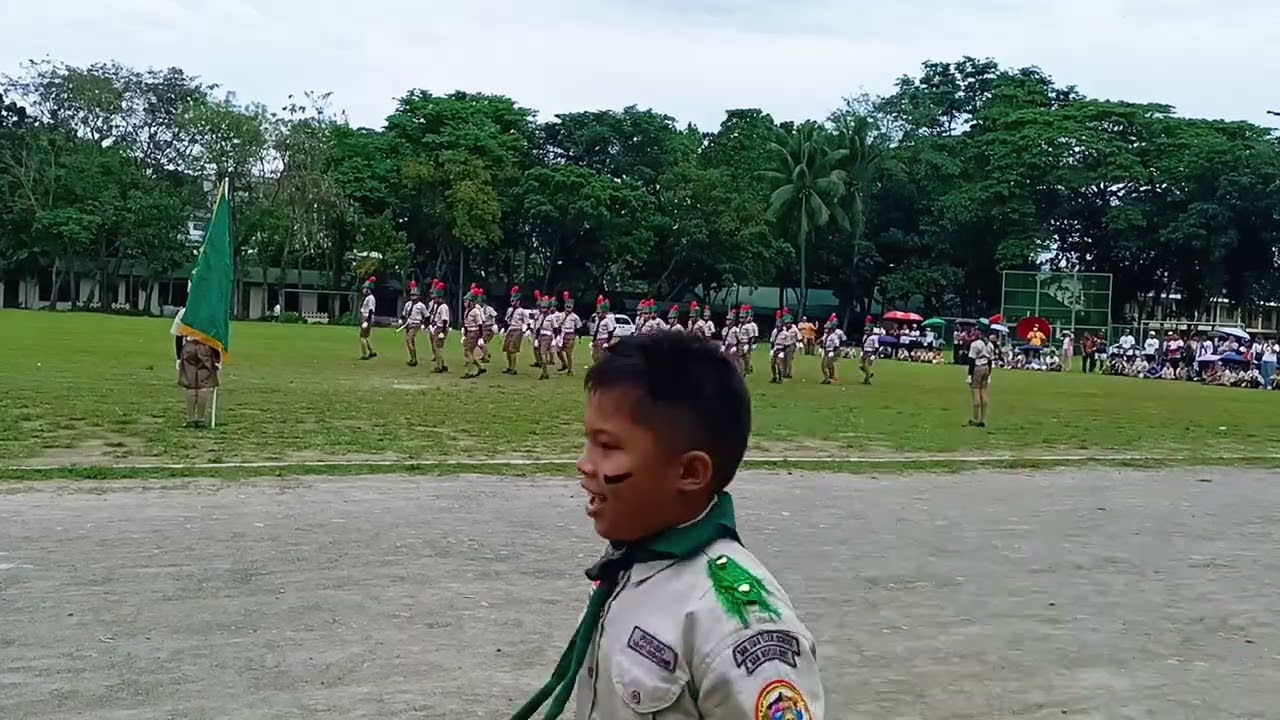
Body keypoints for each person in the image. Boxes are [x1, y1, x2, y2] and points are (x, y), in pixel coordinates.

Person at [509, 332, 823, 720]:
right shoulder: (636, 561)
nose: (584, 464)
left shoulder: (737, 624)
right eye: (587, 441)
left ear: (690, 471)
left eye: (607, 446)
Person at [174, 310, 221, 429]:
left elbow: (178, 335)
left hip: (189, 347)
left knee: (190, 384)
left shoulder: (184, 312)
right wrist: (217, 357)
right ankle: (200, 419)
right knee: (203, 385)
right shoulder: (210, 312)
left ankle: (190, 419)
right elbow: (216, 335)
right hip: (206, 346)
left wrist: (179, 357)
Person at [967, 322, 996, 428]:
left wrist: (969, 375)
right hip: (986, 368)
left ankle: (975, 418)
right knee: (984, 393)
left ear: (980, 332)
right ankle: (983, 418)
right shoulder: (990, 345)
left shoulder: (975, 344)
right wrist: (989, 375)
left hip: (977, 368)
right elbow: (990, 361)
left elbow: (971, 361)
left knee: (975, 393)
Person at [461, 284, 487, 379]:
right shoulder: (467, 311)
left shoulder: (475, 311)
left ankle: (469, 371)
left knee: (468, 351)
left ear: (471, 302)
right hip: (469, 332)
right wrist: (464, 334)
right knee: (468, 352)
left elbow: (480, 324)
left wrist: (480, 337)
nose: (465, 303)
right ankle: (480, 367)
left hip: (474, 332)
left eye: (466, 301)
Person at [401, 281, 429, 367]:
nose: (413, 297)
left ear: (418, 296)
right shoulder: (408, 304)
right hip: (408, 324)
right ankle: (413, 358)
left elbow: (427, 316)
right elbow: (404, 314)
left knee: (409, 340)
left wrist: (425, 324)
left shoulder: (421, 306)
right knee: (410, 342)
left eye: (415, 295)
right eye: (412, 295)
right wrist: (403, 320)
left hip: (415, 324)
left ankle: (414, 359)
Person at [427, 279, 450, 373]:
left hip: (441, 328)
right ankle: (441, 364)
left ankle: (440, 366)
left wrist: (442, 332)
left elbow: (445, 320)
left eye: (436, 298)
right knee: (435, 347)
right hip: (436, 327)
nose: (434, 300)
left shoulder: (443, 307)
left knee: (437, 347)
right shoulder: (437, 306)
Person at [502, 286, 525, 375]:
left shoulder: (522, 311)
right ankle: (509, 366)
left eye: (514, 301)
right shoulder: (509, 310)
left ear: (518, 302)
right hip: (510, 329)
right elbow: (506, 320)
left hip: (517, 330)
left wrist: (525, 330)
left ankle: (513, 368)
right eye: (511, 301)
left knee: (512, 349)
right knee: (507, 349)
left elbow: (526, 322)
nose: (513, 303)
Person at [559, 292, 583, 375]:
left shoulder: (575, 317)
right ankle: (564, 364)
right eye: (567, 307)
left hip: (570, 334)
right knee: (558, 351)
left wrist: (579, 337)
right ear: (564, 306)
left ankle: (570, 370)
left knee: (568, 353)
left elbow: (579, 327)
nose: (568, 308)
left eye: (570, 307)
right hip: (562, 334)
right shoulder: (560, 315)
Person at [819, 314, 844, 384]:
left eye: (827, 328)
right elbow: (822, 341)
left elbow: (837, 344)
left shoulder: (833, 336)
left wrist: (832, 351)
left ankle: (830, 377)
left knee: (828, 364)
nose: (825, 330)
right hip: (825, 351)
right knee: (823, 366)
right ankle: (827, 378)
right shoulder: (826, 335)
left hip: (830, 351)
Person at [591, 295, 616, 363]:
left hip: (604, 338)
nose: (598, 314)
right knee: (594, 355)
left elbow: (611, 330)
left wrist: (607, 341)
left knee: (603, 356)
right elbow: (596, 329)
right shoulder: (597, 318)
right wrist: (593, 340)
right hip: (598, 338)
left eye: (599, 313)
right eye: (597, 313)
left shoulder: (608, 319)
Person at [358, 276, 378, 360]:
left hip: (366, 317)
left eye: (364, 289)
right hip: (367, 317)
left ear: (368, 289)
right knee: (366, 336)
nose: (363, 290)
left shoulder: (370, 298)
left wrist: (367, 321)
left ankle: (364, 354)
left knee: (362, 336)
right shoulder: (369, 298)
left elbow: (371, 310)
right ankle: (371, 351)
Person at [739, 305, 758, 375]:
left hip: (748, 343)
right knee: (742, 357)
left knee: (747, 357)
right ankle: (744, 368)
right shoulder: (740, 325)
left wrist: (751, 344)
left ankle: (747, 369)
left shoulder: (752, 325)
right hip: (742, 343)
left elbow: (754, 336)